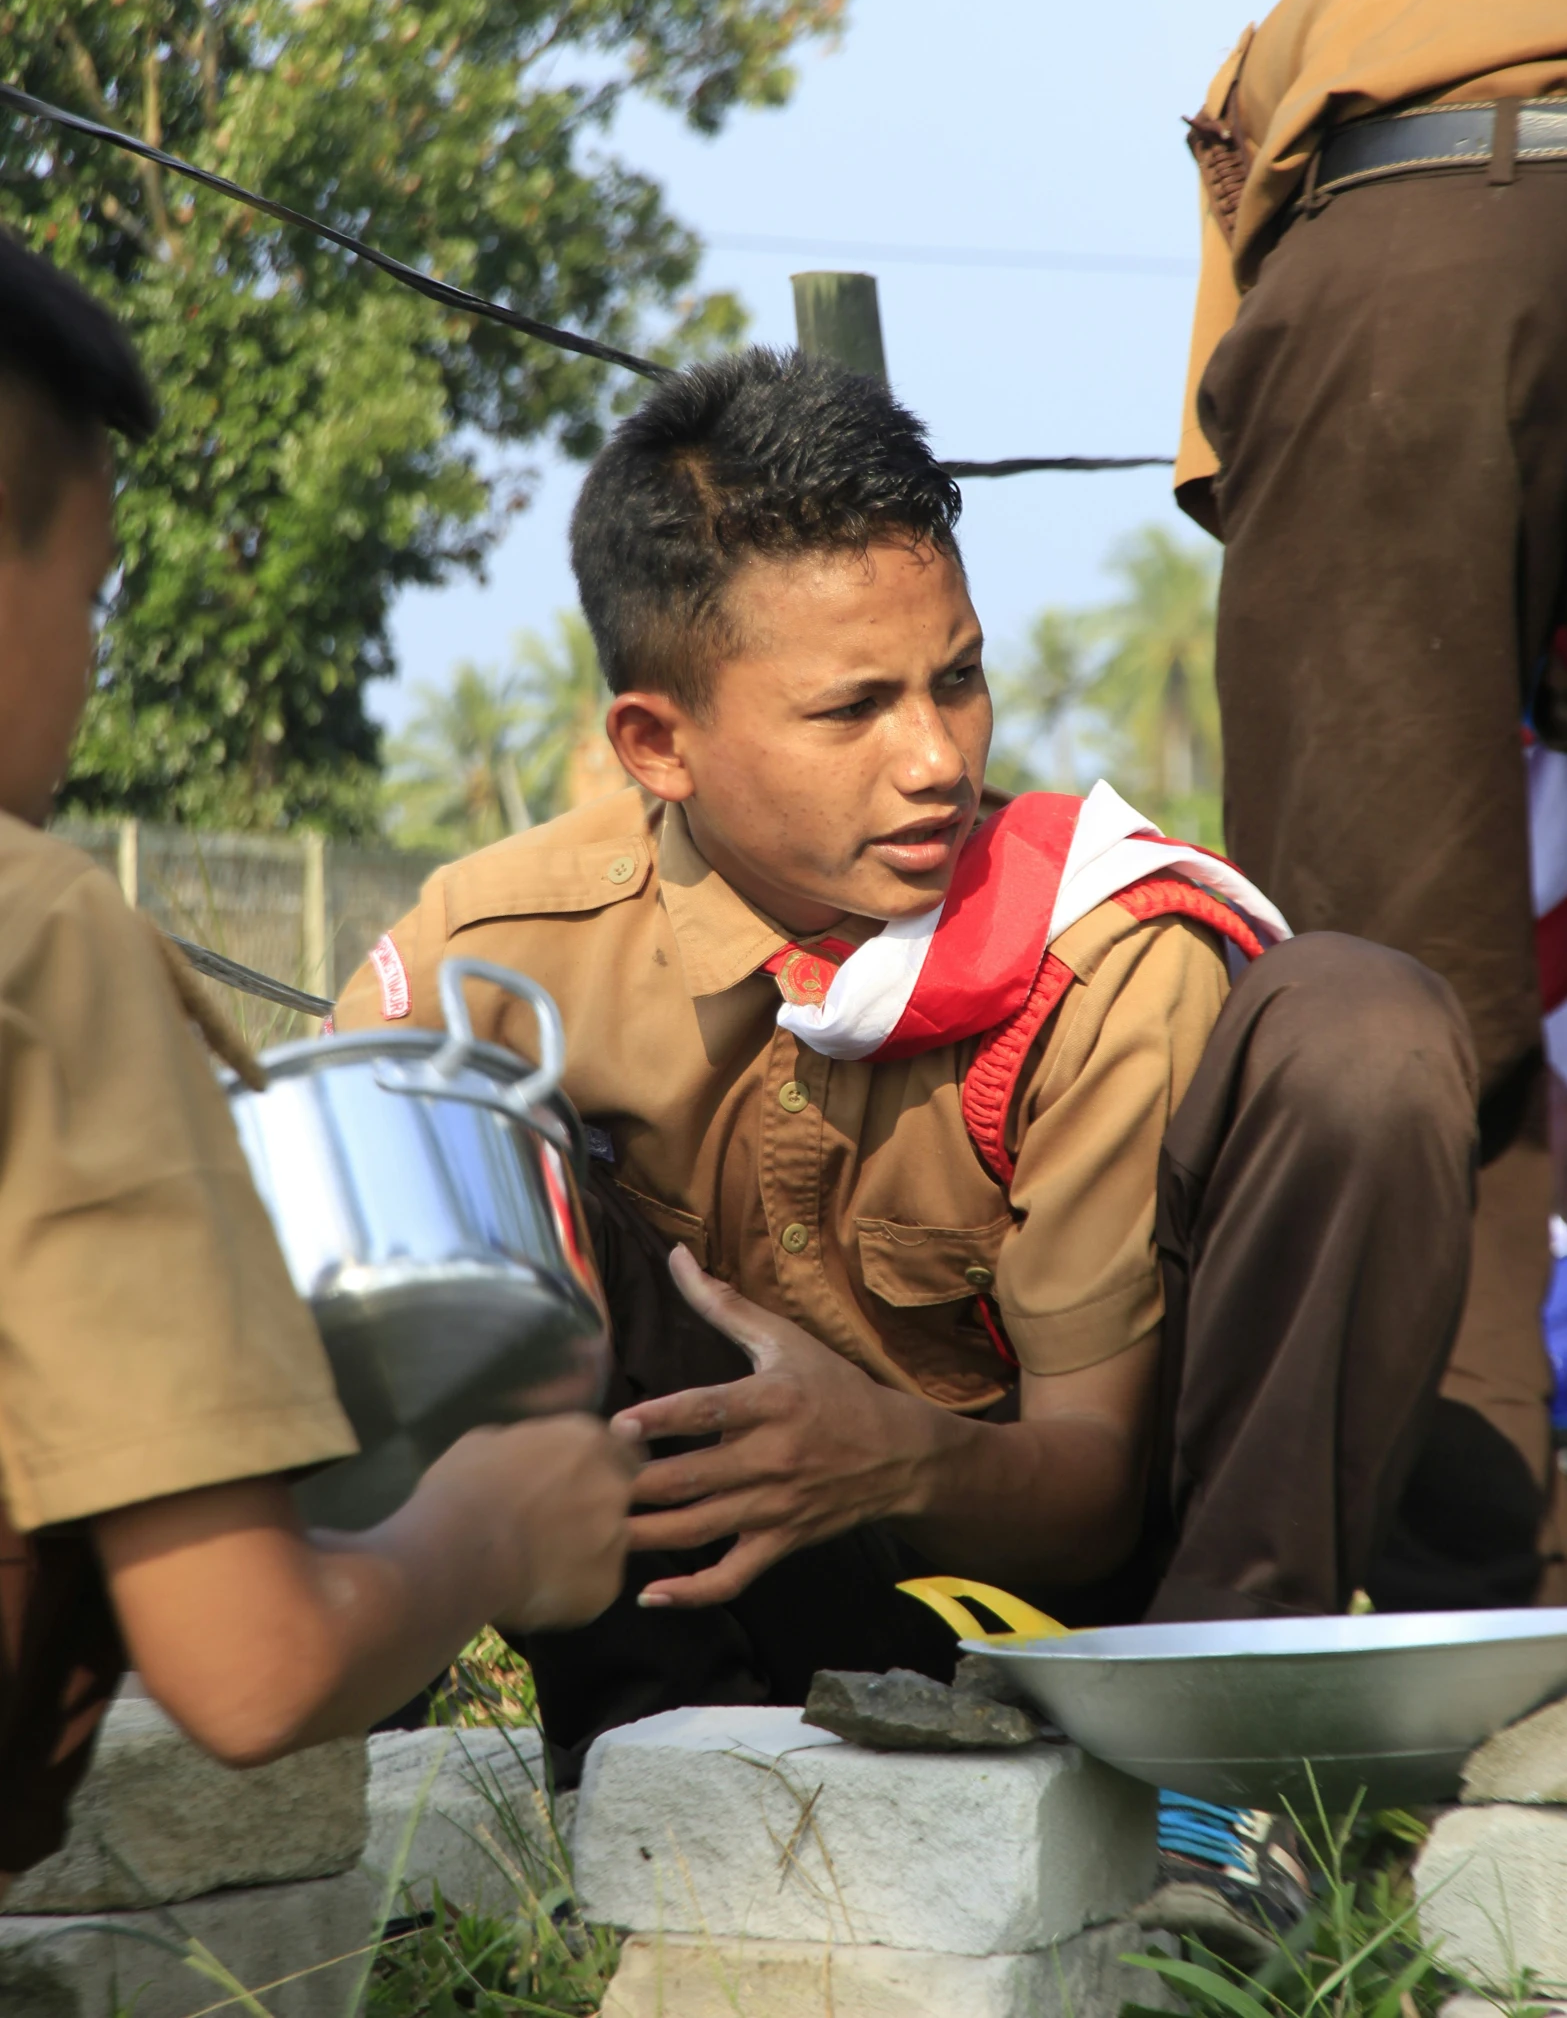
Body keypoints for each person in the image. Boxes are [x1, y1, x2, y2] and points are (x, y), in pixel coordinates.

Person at [337, 346, 1475, 1804]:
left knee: (1360, 1026)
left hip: (1082, 1626)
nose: (934, 756)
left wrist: (897, 1458)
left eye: (958, 679)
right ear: (655, 743)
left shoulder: (1097, 948)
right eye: (851, 707)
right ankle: (576, 1803)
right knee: (432, 1159)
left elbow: (1086, 1494)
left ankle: (1224, 1817)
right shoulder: (502, 952)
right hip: (710, 1633)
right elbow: (298, 1336)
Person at [0, 234, 637, 1884]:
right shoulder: (45, 935)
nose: (90, 660)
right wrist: (493, 1524)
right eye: (90, 593)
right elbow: (252, 1661)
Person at [1174, 0, 1567, 1605]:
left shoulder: (1323, 7)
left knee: (1398, 1001)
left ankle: (1456, 1583)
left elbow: (1224, 433)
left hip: (1389, 273)